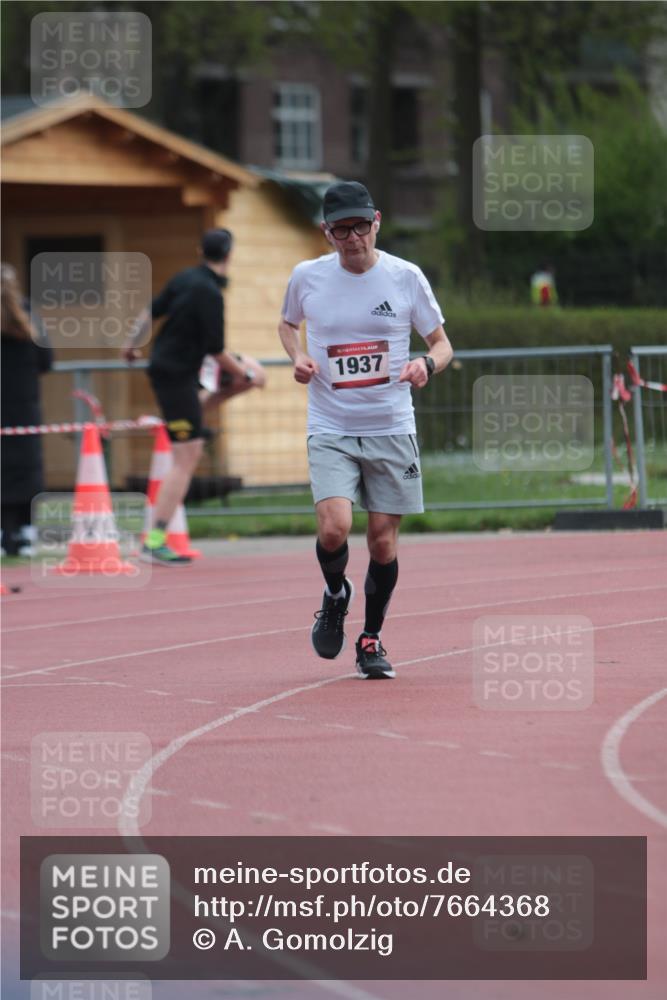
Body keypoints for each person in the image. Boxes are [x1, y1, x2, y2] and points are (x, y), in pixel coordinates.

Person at [278, 181, 453, 679]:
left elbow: (442, 343)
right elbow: (288, 324)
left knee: (381, 542)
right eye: (341, 230)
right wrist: (299, 356)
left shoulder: (405, 277)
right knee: (334, 528)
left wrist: (426, 364)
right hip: (331, 422)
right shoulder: (307, 277)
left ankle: (371, 637)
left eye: (360, 226)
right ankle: (336, 595)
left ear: (376, 221)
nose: (353, 238)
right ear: (326, 232)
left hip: (391, 425)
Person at [123, 229, 266, 565]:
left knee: (256, 375)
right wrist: (243, 376)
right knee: (185, 460)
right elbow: (217, 351)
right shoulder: (211, 295)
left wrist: (131, 343)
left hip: (182, 372)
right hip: (176, 376)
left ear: (201, 250)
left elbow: (150, 312)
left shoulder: (185, 278)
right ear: (229, 255)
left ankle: (191, 418)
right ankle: (154, 540)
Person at [1, 263, 53, 556]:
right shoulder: (28, 315)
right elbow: (47, 360)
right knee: (26, 468)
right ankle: (26, 533)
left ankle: (3, 533)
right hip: (23, 406)